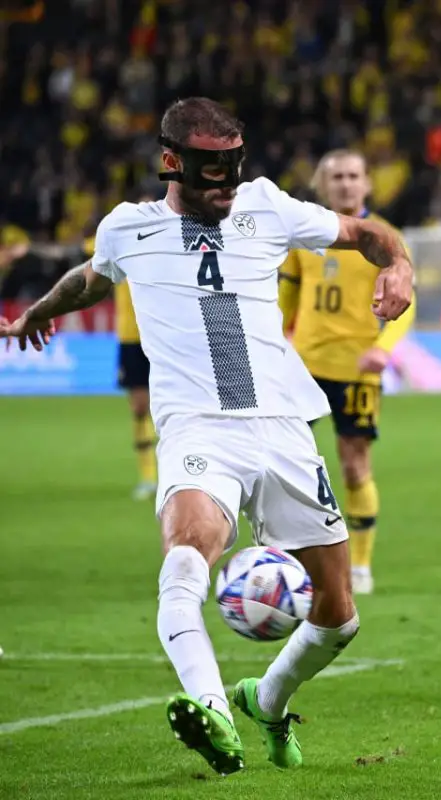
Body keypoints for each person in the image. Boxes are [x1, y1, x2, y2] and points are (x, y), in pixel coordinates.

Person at [0, 97, 413, 775]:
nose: (223, 185)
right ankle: (213, 711)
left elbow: (370, 237)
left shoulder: (269, 206)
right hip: (198, 426)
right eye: (208, 172)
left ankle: (267, 700)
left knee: (339, 618)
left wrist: (399, 269)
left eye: (232, 168)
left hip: (281, 427)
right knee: (188, 554)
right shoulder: (128, 229)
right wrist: (37, 313)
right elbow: (91, 279)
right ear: (171, 162)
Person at [280, 149, 416, 596]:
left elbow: (406, 306)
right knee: (282, 465)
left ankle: (359, 565)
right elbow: (288, 299)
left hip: (357, 369)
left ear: (368, 183)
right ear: (323, 184)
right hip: (302, 368)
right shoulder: (305, 235)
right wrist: (275, 343)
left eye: (353, 175)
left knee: (355, 466)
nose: (345, 183)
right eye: (336, 176)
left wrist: (384, 349)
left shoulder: (385, 239)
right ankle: (285, 559)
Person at [85, 195, 159, 500]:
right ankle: (148, 477)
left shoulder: (164, 245)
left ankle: (178, 473)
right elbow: (79, 252)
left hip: (162, 335)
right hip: (130, 338)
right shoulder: (116, 240)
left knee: (173, 408)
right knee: (140, 407)